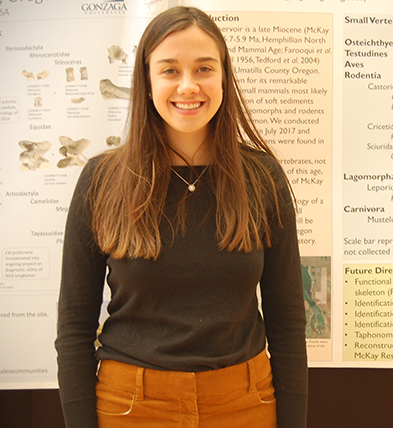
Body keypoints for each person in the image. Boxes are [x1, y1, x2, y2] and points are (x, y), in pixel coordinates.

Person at [55, 6, 308, 428]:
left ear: (224, 76)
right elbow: (75, 327)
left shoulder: (263, 178)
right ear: (147, 80)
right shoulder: (102, 180)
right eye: (169, 70)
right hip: (131, 407)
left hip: (245, 404)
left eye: (203, 68)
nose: (188, 86)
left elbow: (287, 322)